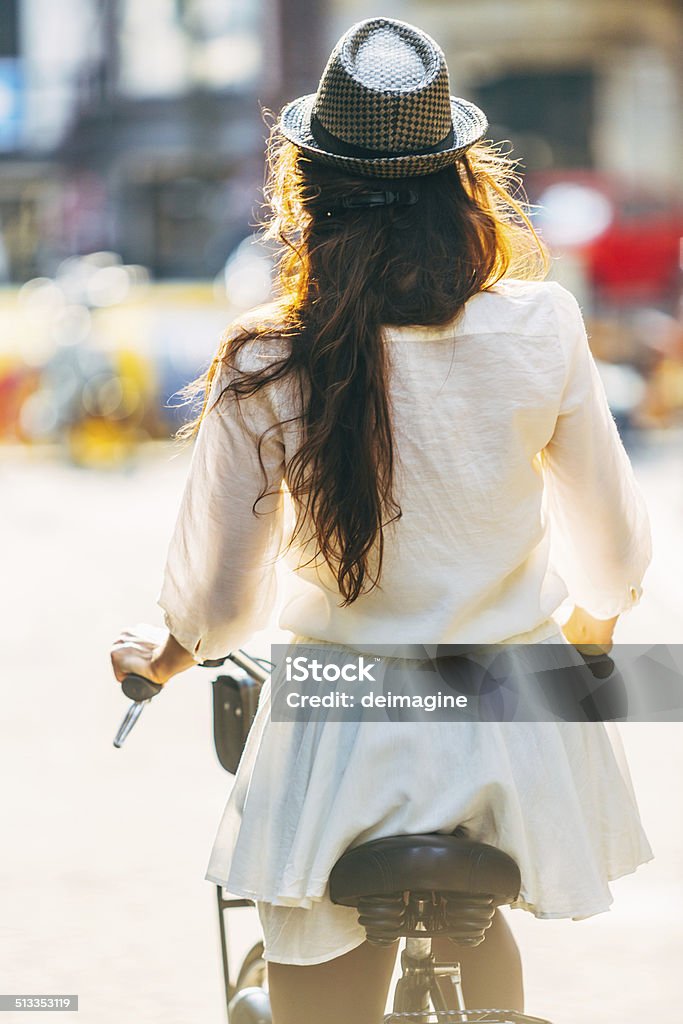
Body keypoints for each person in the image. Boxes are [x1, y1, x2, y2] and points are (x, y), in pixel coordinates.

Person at [110, 17, 653, 1024]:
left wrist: (172, 647)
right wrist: (592, 620)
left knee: (311, 957)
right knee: (475, 917)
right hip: (507, 732)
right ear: (460, 183)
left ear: (306, 194)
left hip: (339, 740)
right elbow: (611, 556)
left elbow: (221, 603)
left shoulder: (264, 360)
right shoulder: (540, 325)